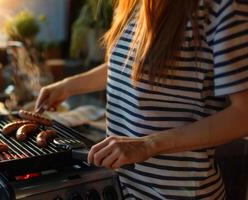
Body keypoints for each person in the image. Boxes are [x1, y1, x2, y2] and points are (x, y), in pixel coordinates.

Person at [35, 0, 248, 199]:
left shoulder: (222, 7)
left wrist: (148, 145)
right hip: (124, 187)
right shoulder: (135, 3)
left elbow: (244, 114)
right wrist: (68, 86)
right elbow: (130, 66)